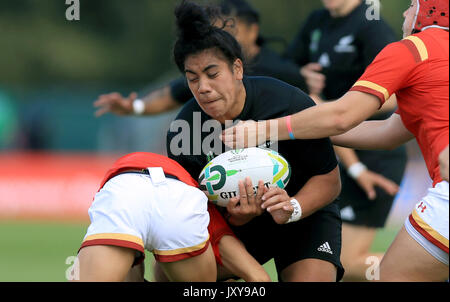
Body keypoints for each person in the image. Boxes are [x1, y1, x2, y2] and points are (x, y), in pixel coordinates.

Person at [222, 0, 449, 281]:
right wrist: (309, 128)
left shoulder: (414, 49)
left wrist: (264, 129)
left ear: (432, 10)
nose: (404, 13)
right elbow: (389, 132)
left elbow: (343, 115)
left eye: (411, 5)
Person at [165, 0, 344, 282]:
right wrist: (240, 218)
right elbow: (197, 218)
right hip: (237, 230)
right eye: (192, 78)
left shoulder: (286, 102)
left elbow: (330, 181)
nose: (204, 88)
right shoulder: (183, 131)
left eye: (213, 74)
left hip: (304, 216)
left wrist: (292, 208)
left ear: (237, 69)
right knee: (170, 274)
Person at [282, 0, 407, 281]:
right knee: (319, 261)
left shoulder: (371, 24)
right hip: (332, 154)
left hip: (373, 156)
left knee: (346, 262)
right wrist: (299, 76)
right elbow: (283, 68)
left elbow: (396, 95)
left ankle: (428, 267)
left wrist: (332, 109)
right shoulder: (317, 21)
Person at [73, 152, 270, 282]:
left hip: (124, 184)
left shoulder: (195, 187)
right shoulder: (207, 211)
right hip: (180, 198)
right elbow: (260, 279)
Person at [92, 0, 306, 118]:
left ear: (253, 30)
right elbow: (171, 94)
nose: (220, 36)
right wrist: (135, 107)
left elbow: (316, 114)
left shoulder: (282, 74)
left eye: (230, 29)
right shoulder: (205, 76)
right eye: (215, 29)